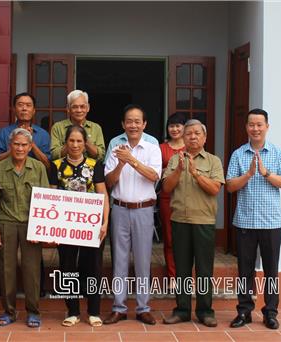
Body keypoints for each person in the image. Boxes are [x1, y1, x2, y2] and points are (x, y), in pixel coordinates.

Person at [226, 108, 281, 330]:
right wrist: (248, 174)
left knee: (271, 269)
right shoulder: (238, 154)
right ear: (246, 127)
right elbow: (230, 186)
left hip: (271, 222)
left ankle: (270, 312)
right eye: (251, 124)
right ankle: (244, 311)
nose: (255, 128)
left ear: (267, 127)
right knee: (245, 269)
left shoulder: (278, 153)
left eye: (259, 124)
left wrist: (265, 173)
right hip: (245, 221)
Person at [161, 119, 225, 328]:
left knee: (205, 269)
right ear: (183, 137)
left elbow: (215, 189)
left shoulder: (213, 161)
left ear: (204, 137)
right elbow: (167, 188)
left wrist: (196, 174)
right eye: (189, 134)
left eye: (197, 133)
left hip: (203, 221)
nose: (193, 137)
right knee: (182, 269)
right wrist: (180, 170)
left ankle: (205, 311)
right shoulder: (174, 160)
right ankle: (182, 310)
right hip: (179, 220)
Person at [103, 104, 162, 326]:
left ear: (144, 124)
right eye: (129, 121)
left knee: (143, 259)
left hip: (144, 209)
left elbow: (154, 175)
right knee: (119, 259)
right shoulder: (115, 146)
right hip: (119, 208)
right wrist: (120, 163)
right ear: (123, 124)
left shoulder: (152, 147)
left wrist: (133, 160)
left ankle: (143, 308)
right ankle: (118, 308)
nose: (133, 125)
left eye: (138, 121)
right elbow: (109, 181)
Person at [49, 125, 110, 327]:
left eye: (79, 141)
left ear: (85, 144)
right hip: (66, 226)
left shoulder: (95, 164)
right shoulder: (56, 165)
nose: (75, 145)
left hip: (91, 226)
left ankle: (93, 311)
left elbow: (103, 195)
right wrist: (51, 226)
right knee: (68, 267)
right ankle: (72, 311)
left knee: (93, 267)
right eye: (71, 141)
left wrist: (105, 222)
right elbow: (52, 196)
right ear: (65, 143)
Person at [0, 128, 49, 328]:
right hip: (5, 222)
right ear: (10, 145)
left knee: (31, 270)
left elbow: (45, 199)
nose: (20, 148)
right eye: (16, 144)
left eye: (25, 145)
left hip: (30, 223)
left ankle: (33, 311)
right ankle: (9, 311)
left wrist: (39, 227)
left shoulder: (38, 167)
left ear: (30, 146)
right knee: (6, 269)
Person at [159, 113, 187, 279]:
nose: (175, 129)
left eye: (178, 125)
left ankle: (185, 276)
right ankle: (172, 276)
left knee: (186, 238)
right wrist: (170, 172)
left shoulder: (191, 146)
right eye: (171, 126)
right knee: (169, 238)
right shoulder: (161, 148)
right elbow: (156, 172)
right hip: (167, 197)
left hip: (188, 198)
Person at [0, 92, 50, 168]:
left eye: (28, 105)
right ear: (14, 109)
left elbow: (47, 164)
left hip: (34, 177)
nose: (24, 108)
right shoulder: (4, 132)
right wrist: (14, 148)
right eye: (20, 105)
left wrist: (31, 143)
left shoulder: (43, 134)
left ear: (34, 111)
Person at [50, 90, 105, 161]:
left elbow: (101, 156)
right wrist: (72, 138)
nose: (79, 110)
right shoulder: (57, 127)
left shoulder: (96, 128)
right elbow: (54, 155)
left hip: (90, 170)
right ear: (68, 108)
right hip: (64, 170)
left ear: (88, 108)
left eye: (82, 106)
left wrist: (84, 139)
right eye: (75, 107)